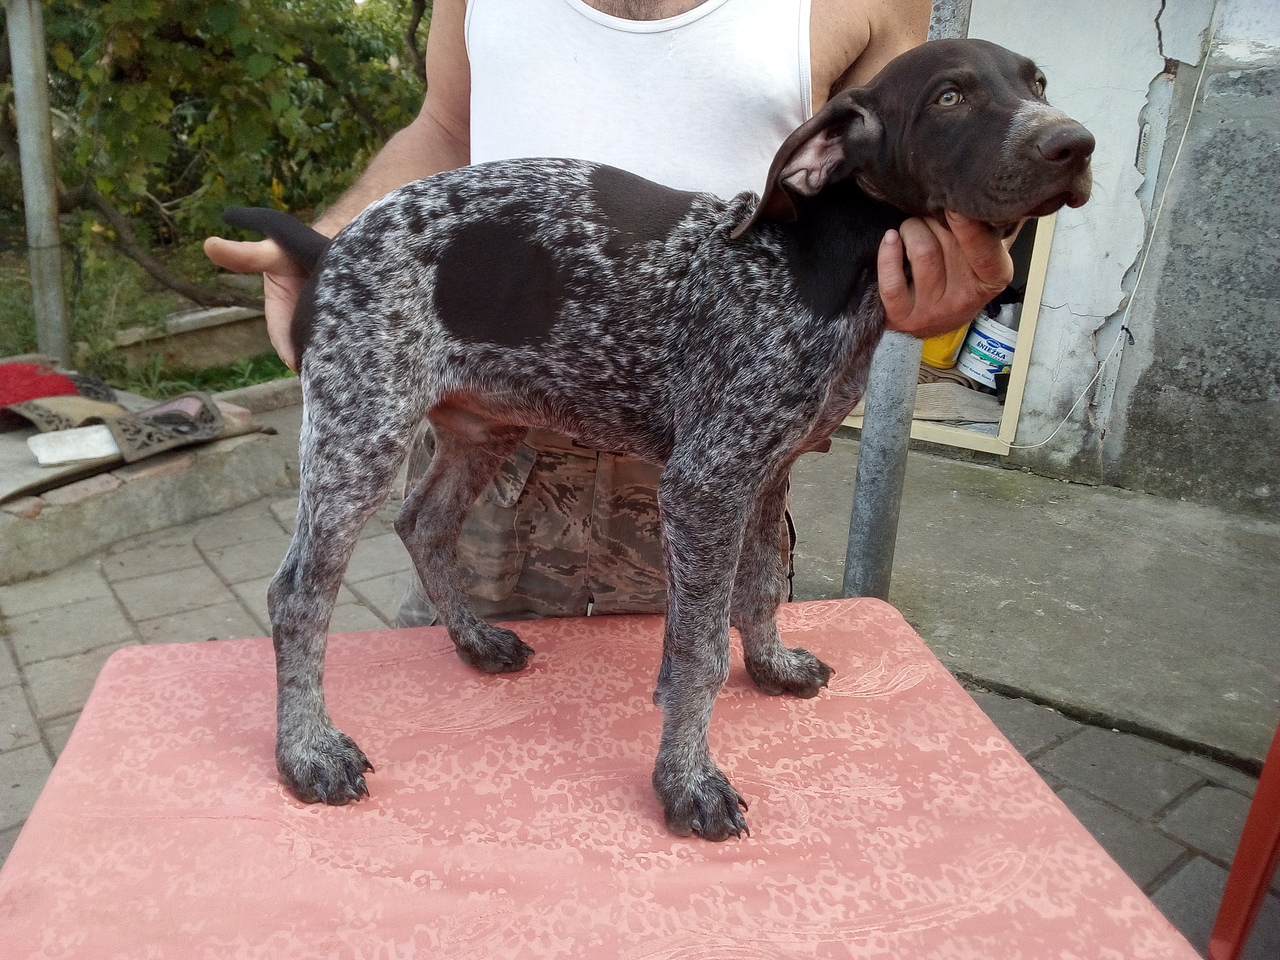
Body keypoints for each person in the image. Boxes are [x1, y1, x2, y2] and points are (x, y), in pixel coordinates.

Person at [205, 0, 1016, 626]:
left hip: (722, 447)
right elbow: (445, 128)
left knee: (711, 722)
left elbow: (913, 176)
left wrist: (940, 278)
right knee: (460, 744)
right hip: (498, 445)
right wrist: (338, 254)